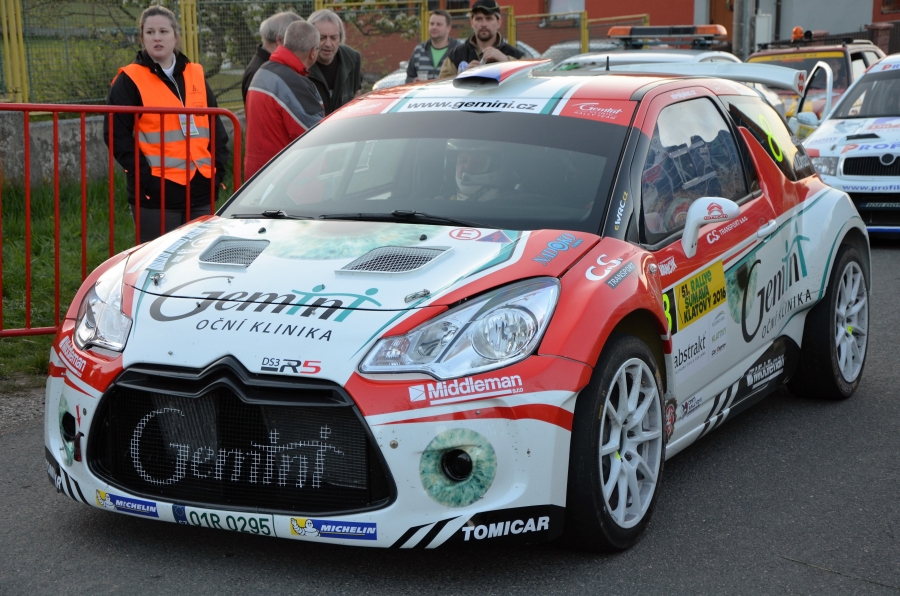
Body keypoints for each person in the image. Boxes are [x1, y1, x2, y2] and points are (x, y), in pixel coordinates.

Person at [105, 5, 228, 242]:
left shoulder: (195, 73)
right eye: (150, 32)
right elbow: (115, 134)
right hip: (157, 193)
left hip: (200, 188)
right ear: (142, 37)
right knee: (158, 259)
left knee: (197, 257)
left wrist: (217, 171)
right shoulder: (129, 79)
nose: (157, 38)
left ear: (175, 36)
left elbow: (216, 127)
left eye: (163, 31)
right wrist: (145, 178)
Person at [244, 21, 325, 179]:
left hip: (259, 175)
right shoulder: (292, 82)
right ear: (313, 52)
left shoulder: (263, 71)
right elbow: (317, 135)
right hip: (286, 179)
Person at [438, 0, 523, 79]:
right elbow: (441, 85)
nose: (484, 24)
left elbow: (525, 80)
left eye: (489, 18)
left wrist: (506, 60)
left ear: (499, 22)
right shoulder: (456, 55)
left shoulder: (516, 56)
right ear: (472, 22)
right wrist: (463, 76)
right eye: (479, 19)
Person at [307, 9, 362, 115]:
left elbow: (357, 93)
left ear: (340, 38)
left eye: (333, 38)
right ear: (310, 38)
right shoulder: (302, 62)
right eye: (322, 38)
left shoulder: (352, 58)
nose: (328, 44)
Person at [241, 11, 303, 104]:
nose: (299, 46)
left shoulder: (269, 66)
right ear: (279, 40)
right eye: (295, 40)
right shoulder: (259, 72)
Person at [406, 10, 460, 83]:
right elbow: (409, 77)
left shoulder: (459, 50)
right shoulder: (419, 50)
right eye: (432, 24)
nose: (434, 27)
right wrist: (413, 81)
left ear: (448, 28)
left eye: (438, 24)